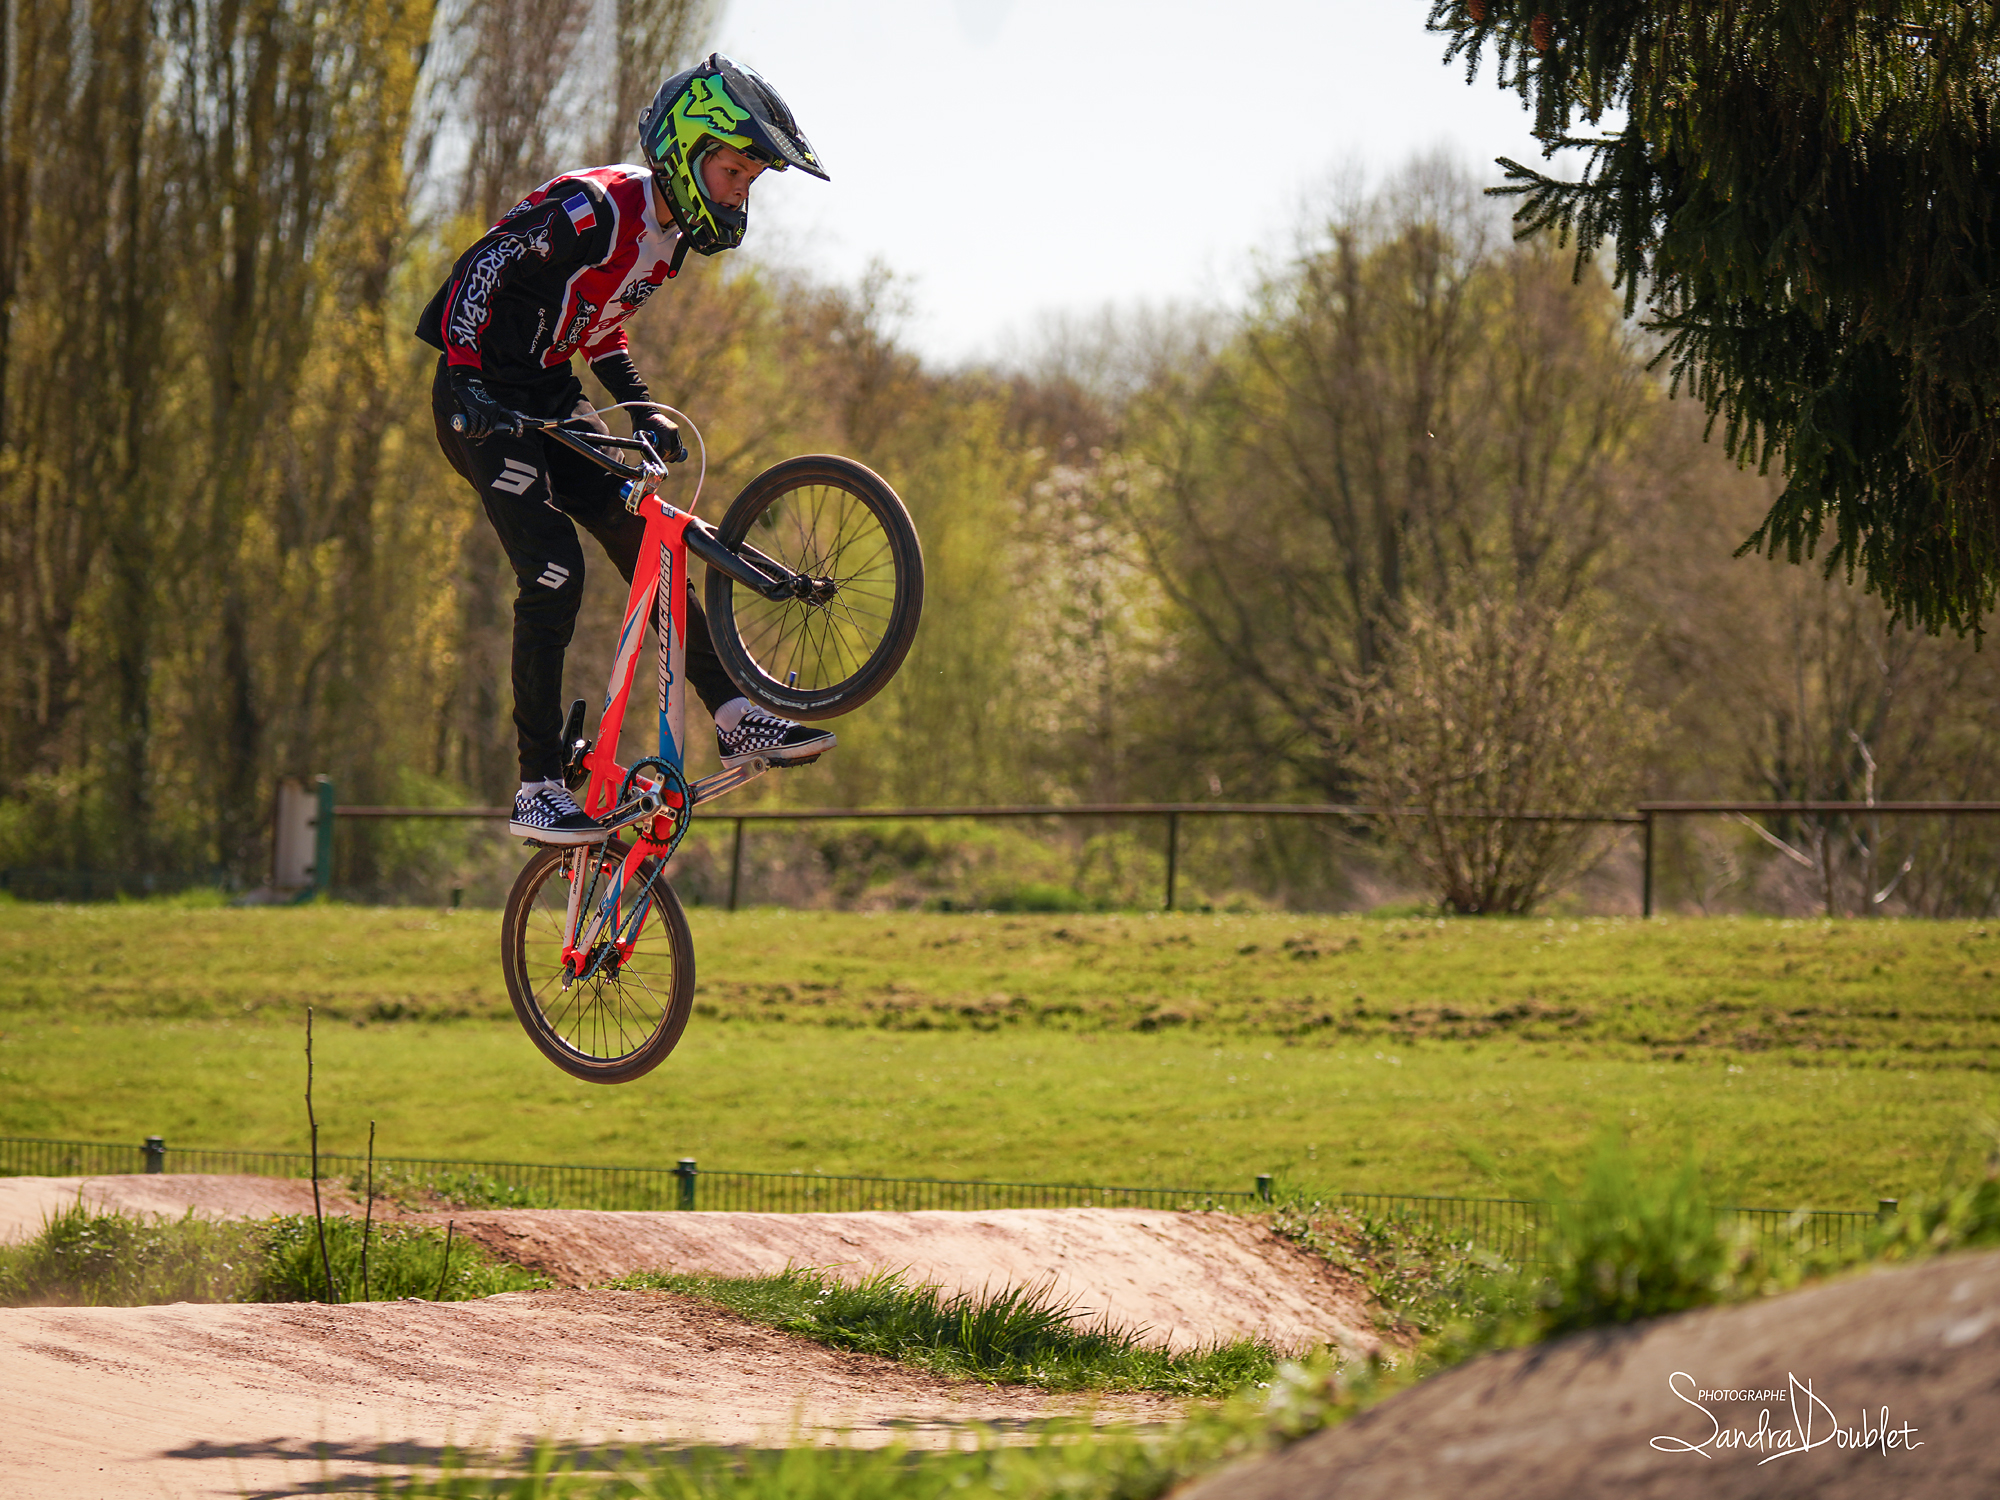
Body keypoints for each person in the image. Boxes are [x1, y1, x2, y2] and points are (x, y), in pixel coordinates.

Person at [417, 53, 835, 846]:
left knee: (645, 540)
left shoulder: (667, 241)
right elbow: (483, 266)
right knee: (553, 573)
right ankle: (537, 786)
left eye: (750, 181)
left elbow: (600, 326)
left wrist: (640, 408)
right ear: (685, 152)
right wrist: (468, 376)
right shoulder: (598, 207)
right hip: (479, 401)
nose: (740, 192)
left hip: (548, 397)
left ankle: (737, 714)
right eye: (733, 172)